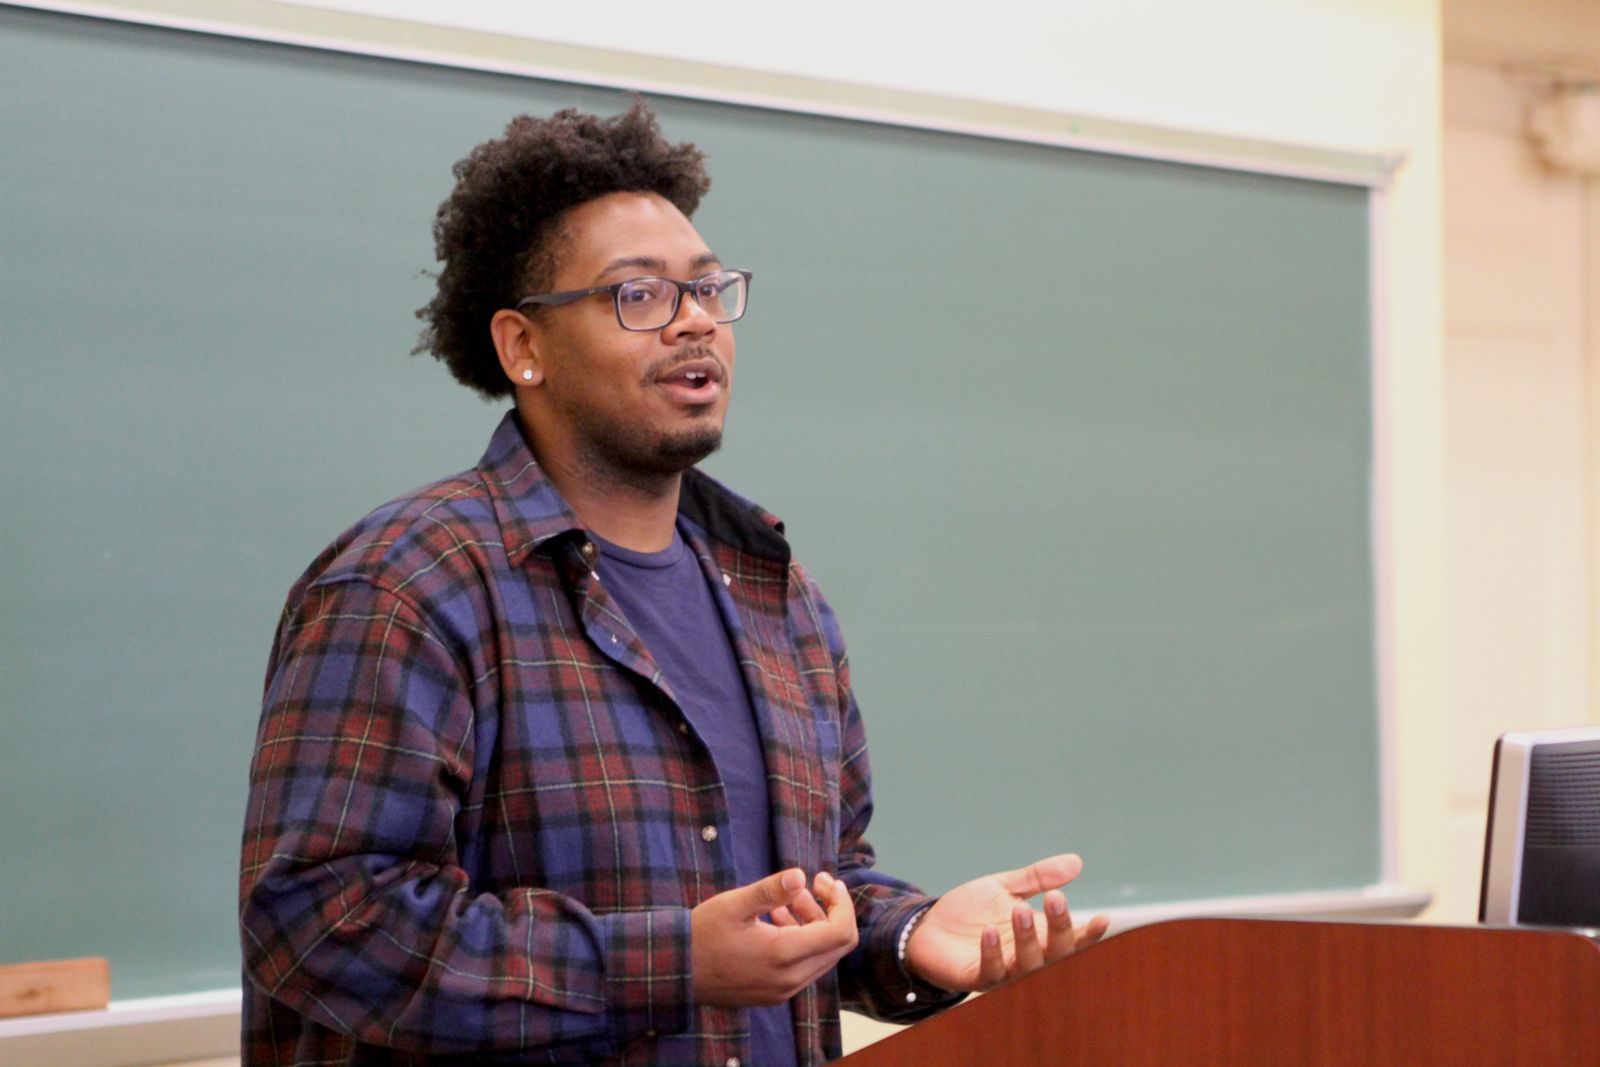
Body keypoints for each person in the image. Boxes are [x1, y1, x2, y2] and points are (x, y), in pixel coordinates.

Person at [239, 101, 1108, 1067]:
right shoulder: (410, 584)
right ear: (522, 347)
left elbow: (814, 887)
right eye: (638, 297)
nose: (694, 321)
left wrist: (912, 937)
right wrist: (673, 961)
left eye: (706, 290)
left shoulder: (779, 595)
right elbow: (320, 921)